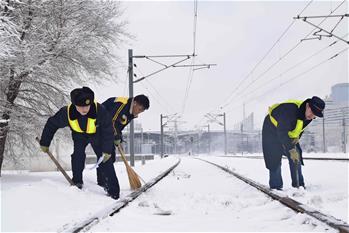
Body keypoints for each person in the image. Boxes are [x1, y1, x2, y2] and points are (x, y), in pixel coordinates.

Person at [39, 86, 120, 199]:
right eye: (81, 107)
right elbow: (52, 124)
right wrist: (45, 142)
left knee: (105, 159)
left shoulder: (100, 110)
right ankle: (77, 181)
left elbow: (108, 129)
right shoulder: (66, 112)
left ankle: (113, 190)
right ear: (74, 104)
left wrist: (107, 150)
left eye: (87, 106)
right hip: (79, 135)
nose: (84, 109)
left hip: (98, 134)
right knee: (78, 155)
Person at [262, 96, 325, 190]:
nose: (312, 117)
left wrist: (295, 143)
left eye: (315, 115)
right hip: (271, 130)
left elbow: (299, 130)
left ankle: (299, 186)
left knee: (296, 157)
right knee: (274, 157)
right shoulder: (289, 111)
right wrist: (291, 149)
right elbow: (282, 132)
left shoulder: (309, 116)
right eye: (312, 113)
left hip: (286, 132)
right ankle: (276, 187)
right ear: (307, 106)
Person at [98, 95, 149, 185]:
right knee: (107, 156)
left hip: (107, 131)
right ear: (135, 103)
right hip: (98, 126)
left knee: (110, 157)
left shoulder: (130, 113)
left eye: (142, 111)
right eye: (140, 109)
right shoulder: (122, 104)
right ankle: (102, 182)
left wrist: (119, 137)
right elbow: (111, 121)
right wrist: (116, 136)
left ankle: (102, 181)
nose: (139, 112)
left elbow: (118, 125)